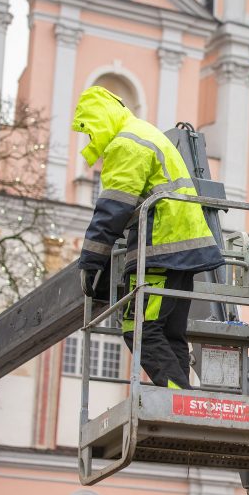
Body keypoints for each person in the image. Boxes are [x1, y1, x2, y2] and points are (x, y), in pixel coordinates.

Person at [73, 86, 224, 389]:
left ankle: (177, 402)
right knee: (169, 333)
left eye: (89, 132)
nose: (91, 141)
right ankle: (183, 402)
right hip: (186, 249)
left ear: (98, 121)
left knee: (138, 327)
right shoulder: (146, 133)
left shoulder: (126, 144)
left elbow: (113, 207)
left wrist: (90, 260)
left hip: (160, 248)